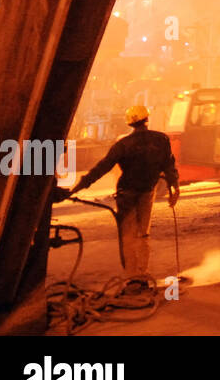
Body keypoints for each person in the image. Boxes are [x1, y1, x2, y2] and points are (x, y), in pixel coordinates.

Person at [69, 101, 179, 281]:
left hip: (126, 193)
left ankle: (132, 275)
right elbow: (169, 165)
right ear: (147, 119)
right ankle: (142, 273)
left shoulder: (124, 145)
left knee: (128, 235)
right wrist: (175, 188)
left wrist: (79, 186)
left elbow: (102, 167)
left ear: (129, 123)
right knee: (143, 233)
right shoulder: (161, 140)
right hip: (147, 191)